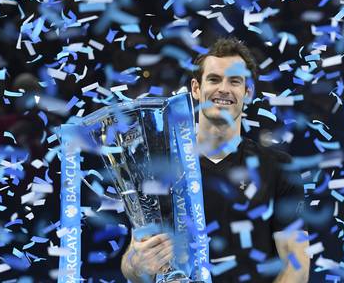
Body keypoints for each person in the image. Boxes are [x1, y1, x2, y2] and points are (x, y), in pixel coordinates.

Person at [120, 38, 310, 282]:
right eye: (214, 79)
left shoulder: (279, 168)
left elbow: (297, 266)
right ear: (196, 89)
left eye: (235, 81)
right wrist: (137, 264)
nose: (224, 89)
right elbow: (131, 264)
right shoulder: (160, 168)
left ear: (248, 92)